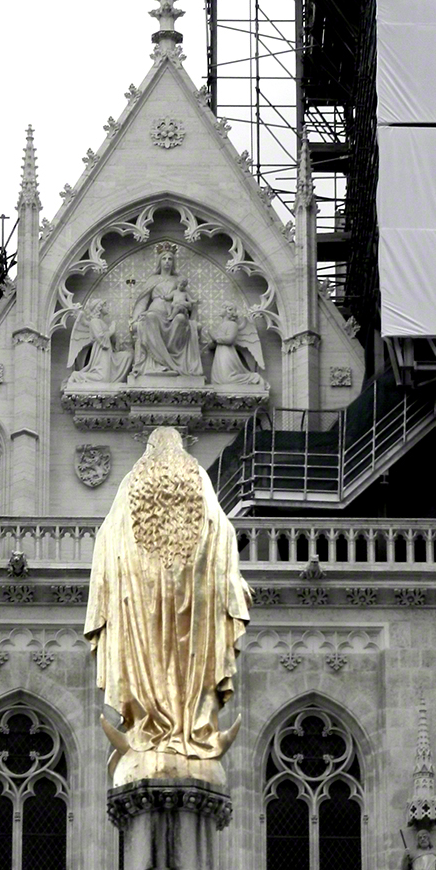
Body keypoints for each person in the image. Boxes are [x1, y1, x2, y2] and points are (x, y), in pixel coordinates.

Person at [85, 427, 251, 784]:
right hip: (193, 612)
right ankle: (191, 730)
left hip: (140, 611)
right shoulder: (199, 482)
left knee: (149, 659)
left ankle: (148, 726)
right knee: (188, 664)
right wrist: (234, 587)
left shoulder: (131, 486)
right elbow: (224, 535)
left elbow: (106, 544)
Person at [130, 245, 202, 377]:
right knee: (150, 317)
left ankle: (172, 362)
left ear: (174, 262)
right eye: (164, 259)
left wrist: (193, 316)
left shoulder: (178, 280)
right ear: (159, 261)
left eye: (170, 259)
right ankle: (159, 362)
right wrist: (134, 320)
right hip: (155, 311)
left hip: (173, 314)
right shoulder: (152, 280)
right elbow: (142, 302)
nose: (167, 261)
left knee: (181, 319)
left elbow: (188, 299)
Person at [65, 298, 132, 385]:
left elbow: (110, 342)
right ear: (99, 308)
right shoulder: (94, 322)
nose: (108, 307)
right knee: (102, 378)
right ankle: (76, 376)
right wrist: (111, 330)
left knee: (128, 356)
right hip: (101, 353)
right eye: (105, 306)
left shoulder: (101, 322)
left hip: (109, 353)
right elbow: (101, 339)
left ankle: (115, 381)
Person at [202, 303, 267, 388]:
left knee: (227, 379)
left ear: (228, 311)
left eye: (222, 308)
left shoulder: (232, 324)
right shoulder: (220, 326)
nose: (219, 310)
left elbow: (230, 340)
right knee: (218, 380)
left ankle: (254, 378)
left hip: (227, 354)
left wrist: (214, 338)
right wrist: (211, 341)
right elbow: (213, 345)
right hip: (220, 354)